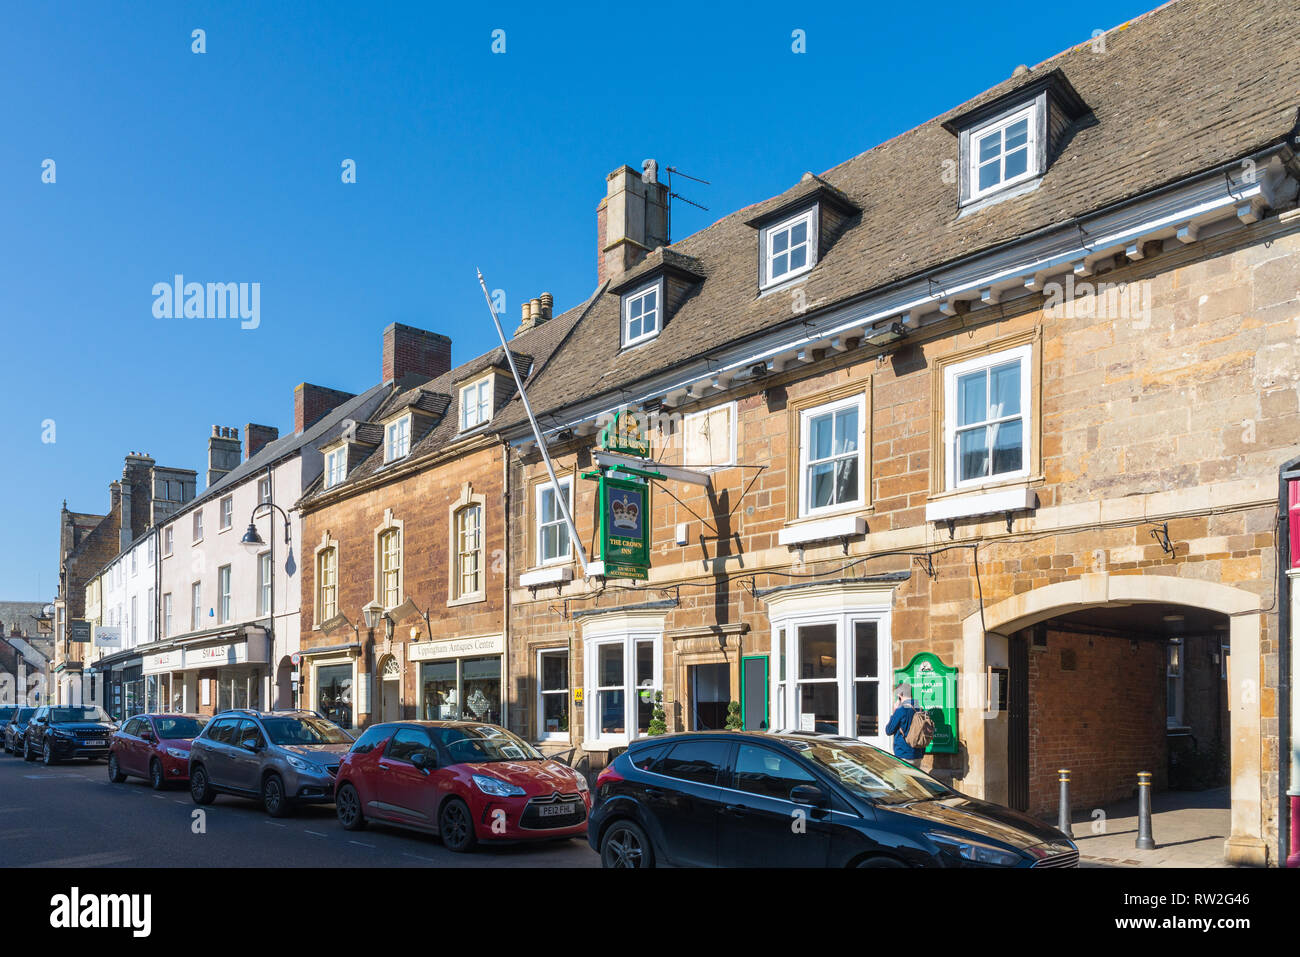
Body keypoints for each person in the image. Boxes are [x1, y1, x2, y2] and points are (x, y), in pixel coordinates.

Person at [885, 682, 923, 765]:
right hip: (918, 754)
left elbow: (889, 730)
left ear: (900, 694)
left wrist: (894, 711)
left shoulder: (900, 710)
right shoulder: (919, 708)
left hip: (903, 755)